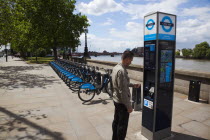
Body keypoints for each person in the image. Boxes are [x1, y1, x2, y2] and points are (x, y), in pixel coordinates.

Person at [112, 50, 141, 140]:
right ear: (127, 59)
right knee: (122, 126)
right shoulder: (122, 71)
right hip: (122, 103)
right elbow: (123, 91)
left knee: (116, 122)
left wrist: (132, 85)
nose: (131, 62)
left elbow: (120, 85)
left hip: (116, 100)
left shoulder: (116, 67)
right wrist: (128, 106)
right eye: (131, 60)